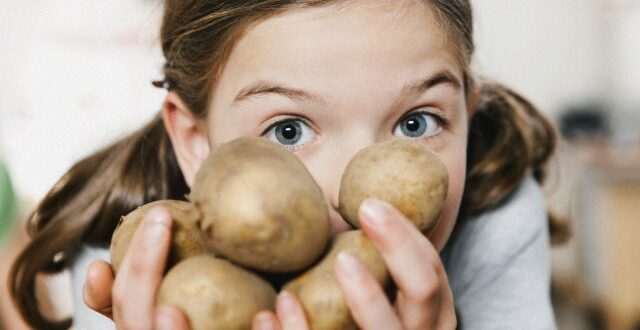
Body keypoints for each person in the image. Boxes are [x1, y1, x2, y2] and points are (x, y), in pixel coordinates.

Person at [9, 0, 561, 329]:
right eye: (289, 131)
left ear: (467, 113)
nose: (355, 193)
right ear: (196, 142)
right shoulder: (132, 266)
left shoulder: (499, 221)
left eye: (416, 123)